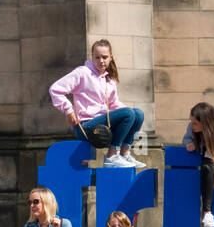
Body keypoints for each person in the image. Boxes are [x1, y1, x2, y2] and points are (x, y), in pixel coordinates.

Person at [49, 38, 146, 168]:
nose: (101, 61)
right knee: (129, 113)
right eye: (97, 57)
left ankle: (124, 154)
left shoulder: (108, 78)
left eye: (104, 57)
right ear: (92, 57)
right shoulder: (83, 73)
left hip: (104, 125)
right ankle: (111, 156)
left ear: (111, 57)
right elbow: (55, 89)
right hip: (87, 126)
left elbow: (114, 103)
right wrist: (69, 110)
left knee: (138, 114)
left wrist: (132, 117)